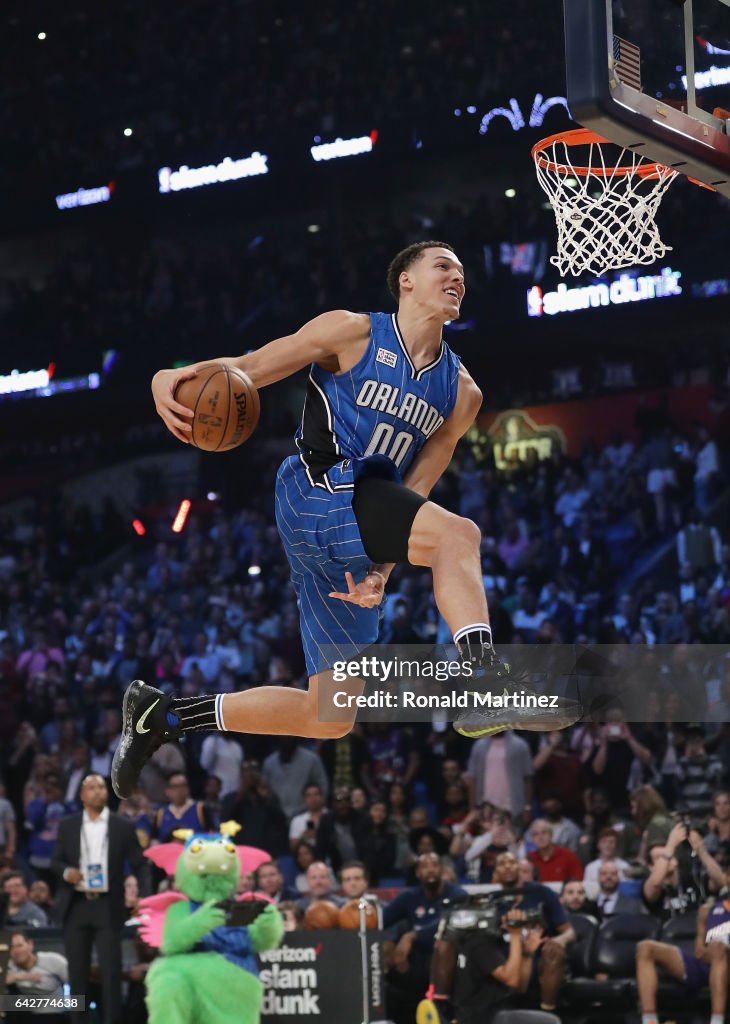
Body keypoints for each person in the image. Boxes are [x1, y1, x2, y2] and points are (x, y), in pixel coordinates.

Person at [111, 241, 581, 798]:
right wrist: (168, 375)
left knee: (329, 715)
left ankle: (161, 717)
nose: (457, 277)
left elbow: (415, 492)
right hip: (316, 488)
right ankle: (482, 674)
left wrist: (381, 571)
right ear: (404, 280)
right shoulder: (351, 332)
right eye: (442, 266)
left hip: (359, 525)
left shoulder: (462, 394)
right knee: (461, 532)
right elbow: (251, 367)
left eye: (461, 271)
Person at [426, 851, 575, 1017]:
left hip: (537, 956)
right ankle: (442, 1007)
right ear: (495, 874)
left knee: (553, 951)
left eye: (511, 862)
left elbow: (569, 931)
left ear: (519, 867)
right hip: (504, 960)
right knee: (462, 946)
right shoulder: (491, 903)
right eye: (501, 864)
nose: (507, 867)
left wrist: (559, 940)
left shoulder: (541, 893)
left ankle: (549, 1013)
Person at [50, 774, 149, 1024]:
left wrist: (143, 897)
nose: (97, 792)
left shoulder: (122, 826)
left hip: (108, 905)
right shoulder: (68, 825)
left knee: (111, 972)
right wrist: (66, 872)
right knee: (77, 973)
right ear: (82, 795)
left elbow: (141, 864)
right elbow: (55, 861)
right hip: (77, 905)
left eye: (101, 787)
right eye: (91, 788)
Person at [383, 851, 467, 1024]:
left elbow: (449, 920)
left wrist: (414, 935)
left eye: (434, 865)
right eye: (424, 866)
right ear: (417, 873)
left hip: (449, 963)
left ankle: (443, 1011)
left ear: (442, 870)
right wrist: (389, 940)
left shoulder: (458, 894)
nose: (430, 870)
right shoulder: (409, 897)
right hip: (415, 965)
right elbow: (380, 920)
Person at [636, 876, 730, 1024]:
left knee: (718, 948)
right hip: (706, 964)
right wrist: (710, 952)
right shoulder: (707, 910)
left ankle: (717, 1020)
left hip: (726, 965)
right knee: (645, 948)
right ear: (727, 879)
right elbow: (699, 949)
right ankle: (649, 1020)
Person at [6, 930, 68, 1017]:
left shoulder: (53, 960)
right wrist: (18, 977)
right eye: (12, 947)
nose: (16, 951)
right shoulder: (8, 966)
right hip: (26, 1016)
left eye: (19, 946)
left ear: (30, 945)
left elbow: (77, 983)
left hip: (55, 1015)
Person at [527, 820, 584, 884]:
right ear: (532, 839)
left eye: (544, 833)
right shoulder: (530, 859)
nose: (540, 837)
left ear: (551, 835)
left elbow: (579, 881)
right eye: (536, 834)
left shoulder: (568, 855)